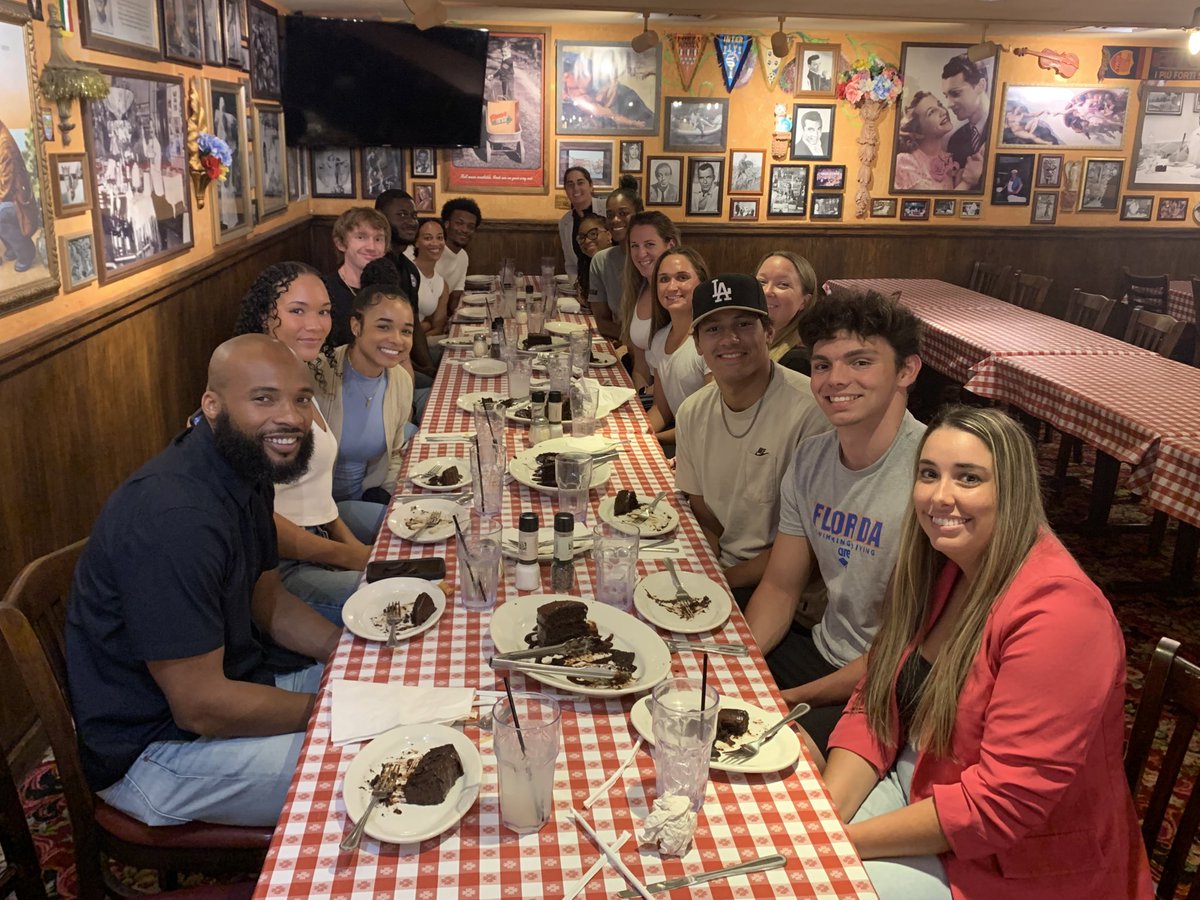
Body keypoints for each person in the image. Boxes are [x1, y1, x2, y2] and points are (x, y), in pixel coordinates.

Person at [823, 406, 1153, 899]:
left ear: (1012, 491)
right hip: (920, 790)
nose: (940, 496)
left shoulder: (1061, 613)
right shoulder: (943, 561)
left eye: (969, 478)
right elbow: (875, 704)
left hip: (1011, 863)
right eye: (929, 474)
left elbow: (1002, 805)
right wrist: (825, 814)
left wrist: (836, 842)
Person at [66, 334, 342, 827]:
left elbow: (268, 601)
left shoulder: (247, 464)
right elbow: (201, 706)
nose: (293, 417)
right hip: (156, 751)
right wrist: (335, 709)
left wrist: (343, 656)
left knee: (394, 688)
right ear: (212, 406)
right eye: (264, 398)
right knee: (371, 766)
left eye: (301, 399)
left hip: (236, 683)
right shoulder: (175, 517)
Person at [745, 289, 924, 754]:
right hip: (822, 652)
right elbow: (781, 587)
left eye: (860, 362)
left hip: (894, 687)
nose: (834, 379)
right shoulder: (811, 459)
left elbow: (913, 650)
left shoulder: (935, 475)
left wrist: (790, 699)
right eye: (822, 364)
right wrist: (744, 666)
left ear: (907, 370)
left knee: (766, 757)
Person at [233, 262, 387, 626]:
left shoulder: (296, 374)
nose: (315, 324)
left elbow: (315, 493)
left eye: (323, 312)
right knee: (394, 596)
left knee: (423, 539)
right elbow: (261, 520)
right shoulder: (254, 397)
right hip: (279, 568)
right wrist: (353, 557)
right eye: (297, 311)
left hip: (318, 534)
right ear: (264, 315)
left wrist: (353, 548)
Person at [675, 274, 829, 606]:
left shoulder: (812, 413)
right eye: (713, 329)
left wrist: (722, 582)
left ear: (769, 333)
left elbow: (813, 547)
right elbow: (703, 512)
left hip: (789, 596)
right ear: (698, 344)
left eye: (744, 324)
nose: (729, 339)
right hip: (724, 574)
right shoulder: (692, 412)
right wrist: (708, 571)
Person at [318, 286, 415, 504]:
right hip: (321, 508)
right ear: (356, 326)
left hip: (367, 497)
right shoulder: (318, 375)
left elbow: (395, 454)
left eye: (406, 331)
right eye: (383, 327)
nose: (397, 340)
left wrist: (388, 498)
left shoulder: (400, 381)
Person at [644, 248, 711, 451]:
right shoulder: (659, 338)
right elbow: (661, 409)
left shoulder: (710, 341)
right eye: (664, 279)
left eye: (682, 277)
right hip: (680, 438)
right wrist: (637, 433)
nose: (672, 287)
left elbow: (707, 422)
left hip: (704, 446)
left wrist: (654, 440)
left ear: (702, 283)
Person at [620, 211, 680, 390]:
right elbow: (640, 366)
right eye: (634, 246)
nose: (641, 253)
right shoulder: (638, 290)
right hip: (650, 399)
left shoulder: (679, 295)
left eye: (649, 244)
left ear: (670, 245)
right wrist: (641, 399)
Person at [322, 207, 388, 347]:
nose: (371, 247)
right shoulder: (325, 290)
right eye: (361, 237)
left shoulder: (388, 287)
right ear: (340, 244)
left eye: (378, 239)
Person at [588, 179, 642, 340]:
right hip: (625, 343)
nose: (615, 220)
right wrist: (632, 343)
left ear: (640, 215)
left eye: (623, 213)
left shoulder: (652, 260)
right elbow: (602, 322)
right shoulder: (601, 261)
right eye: (610, 215)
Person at [893, 92, 980, 192]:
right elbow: (929, 205)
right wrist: (967, 183)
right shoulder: (905, 162)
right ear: (918, 133)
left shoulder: (950, 159)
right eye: (931, 112)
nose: (943, 111)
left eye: (940, 105)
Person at [755, 250, 816, 374]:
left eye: (783, 284)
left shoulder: (798, 360)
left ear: (804, 301)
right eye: (762, 282)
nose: (767, 291)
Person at [942, 55, 990, 192]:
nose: (949, 104)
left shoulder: (1007, 128)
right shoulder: (955, 140)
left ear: (981, 85)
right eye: (947, 96)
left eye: (955, 94)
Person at [0, 118, 41, 273]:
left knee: (0, 216)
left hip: (19, 202)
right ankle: (12, 247)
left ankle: (26, 252)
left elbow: (5, 186)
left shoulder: (4, 145)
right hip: (12, 198)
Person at [558, 166, 606, 279]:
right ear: (566, 190)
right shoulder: (564, 222)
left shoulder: (607, 209)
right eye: (570, 184)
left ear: (591, 186)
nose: (575, 188)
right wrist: (576, 288)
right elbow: (570, 265)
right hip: (583, 286)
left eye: (580, 182)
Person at [407, 217, 450, 336]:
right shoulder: (407, 273)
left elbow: (438, 328)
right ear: (416, 242)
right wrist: (427, 325)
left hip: (421, 343)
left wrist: (427, 327)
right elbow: (404, 328)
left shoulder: (442, 285)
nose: (435, 243)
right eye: (427, 238)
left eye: (440, 238)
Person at [438, 197, 481, 317]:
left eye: (470, 227)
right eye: (459, 223)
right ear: (446, 224)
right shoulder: (431, 252)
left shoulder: (463, 256)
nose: (465, 230)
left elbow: (456, 296)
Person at [574, 211, 611, 301]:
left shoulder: (618, 266)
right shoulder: (586, 265)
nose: (587, 241)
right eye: (582, 237)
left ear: (609, 235)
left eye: (593, 234)